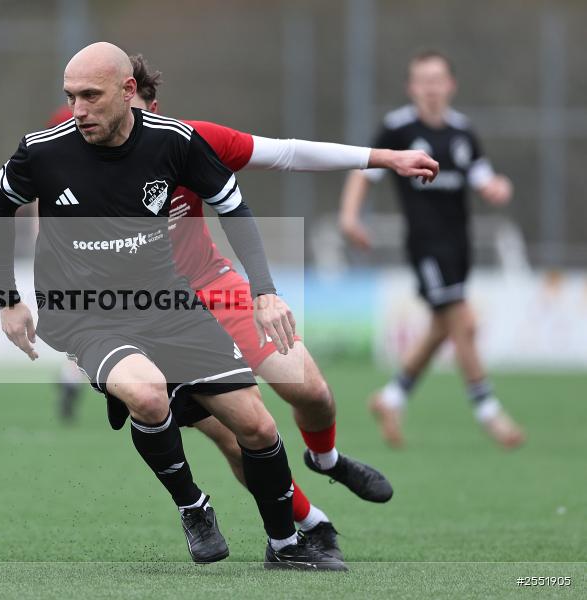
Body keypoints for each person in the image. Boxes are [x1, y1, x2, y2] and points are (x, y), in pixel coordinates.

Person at [0, 42, 343, 570]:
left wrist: (265, 291)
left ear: (129, 91)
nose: (78, 110)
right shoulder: (43, 151)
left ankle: (285, 546)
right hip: (85, 312)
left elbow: (234, 206)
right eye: (70, 97)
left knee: (259, 428)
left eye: (91, 96)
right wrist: (7, 299)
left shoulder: (174, 142)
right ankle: (193, 506)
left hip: (168, 303)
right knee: (149, 397)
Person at [113, 54, 441, 558]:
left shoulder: (187, 141)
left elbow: (286, 153)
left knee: (310, 389)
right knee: (239, 430)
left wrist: (385, 158)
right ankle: (306, 524)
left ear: (149, 107)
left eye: (131, 115)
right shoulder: (81, 161)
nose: (120, 131)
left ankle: (325, 459)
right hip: (150, 316)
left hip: (213, 285)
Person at [339, 50, 525, 449]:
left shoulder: (462, 132)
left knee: (444, 327)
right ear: (411, 88)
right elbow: (365, 171)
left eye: (437, 79)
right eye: (422, 81)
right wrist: (350, 217)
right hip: (426, 244)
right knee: (464, 323)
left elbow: (483, 177)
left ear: (450, 85)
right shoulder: (397, 128)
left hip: (460, 244)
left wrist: (498, 187)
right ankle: (488, 411)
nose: (430, 88)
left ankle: (391, 398)